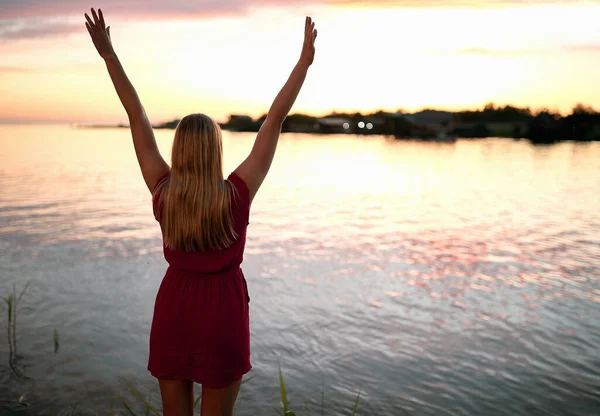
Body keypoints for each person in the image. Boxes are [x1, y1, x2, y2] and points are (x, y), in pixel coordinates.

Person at [84, 7, 317, 416]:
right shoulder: (237, 195)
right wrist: (303, 64)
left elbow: (136, 115)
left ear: (178, 150)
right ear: (215, 150)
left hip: (175, 304)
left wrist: (109, 55)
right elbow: (274, 120)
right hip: (221, 311)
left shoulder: (164, 192)